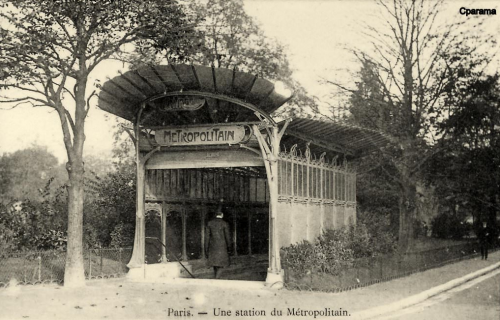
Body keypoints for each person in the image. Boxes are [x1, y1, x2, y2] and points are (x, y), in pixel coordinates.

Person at [205, 210, 231, 279]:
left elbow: (207, 237)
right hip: (222, 247)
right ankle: (216, 279)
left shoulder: (209, 223)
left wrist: (206, 248)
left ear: (215, 215)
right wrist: (229, 247)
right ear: (222, 215)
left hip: (212, 247)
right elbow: (227, 237)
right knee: (221, 265)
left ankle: (216, 278)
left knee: (215, 264)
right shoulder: (224, 223)